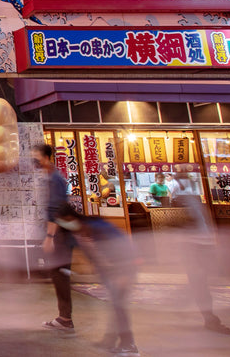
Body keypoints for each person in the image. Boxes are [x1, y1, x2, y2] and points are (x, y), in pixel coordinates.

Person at [55, 204, 140, 356]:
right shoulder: (79, 232)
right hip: (110, 272)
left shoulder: (97, 226)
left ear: (70, 217)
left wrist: (124, 273)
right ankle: (110, 340)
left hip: (124, 268)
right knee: (115, 306)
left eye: (63, 220)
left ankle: (129, 345)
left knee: (119, 307)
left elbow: (125, 248)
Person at [173, 171, 230, 335]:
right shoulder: (184, 199)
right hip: (195, 248)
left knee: (200, 282)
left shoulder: (193, 199)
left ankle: (204, 314)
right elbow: (186, 224)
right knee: (199, 282)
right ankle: (208, 317)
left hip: (201, 246)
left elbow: (198, 223)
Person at [33, 143, 75, 335]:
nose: (35, 162)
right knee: (58, 274)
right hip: (58, 233)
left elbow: (56, 209)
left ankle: (65, 318)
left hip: (60, 235)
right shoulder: (49, 178)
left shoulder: (56, 179)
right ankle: (64, 317)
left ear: (46, 158)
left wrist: (50, 236)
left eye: (37, 158)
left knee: (60, 275)